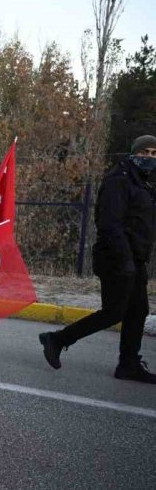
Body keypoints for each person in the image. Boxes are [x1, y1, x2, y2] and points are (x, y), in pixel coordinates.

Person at [40, 135, 156, 383]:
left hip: (135, 259)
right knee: (115, 311)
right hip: (116, 258)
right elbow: (109, 224)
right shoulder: (119, 181)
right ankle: (58, 339)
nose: (149, 158)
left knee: (138, 311)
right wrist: (125, 260)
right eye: (145, 152)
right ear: (133, 153)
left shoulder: (142, 184)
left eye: (154, 154)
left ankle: (129, 364)